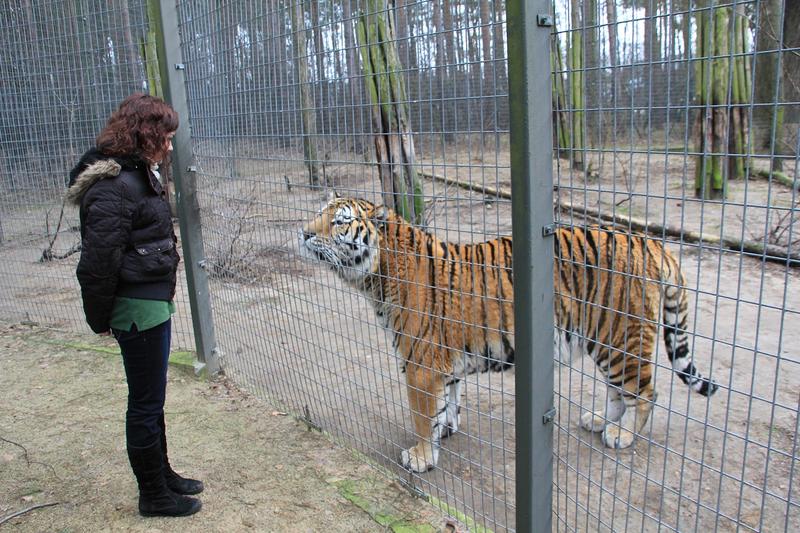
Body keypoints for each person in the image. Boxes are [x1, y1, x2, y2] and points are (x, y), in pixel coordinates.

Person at [66, 93, 202, 517]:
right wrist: (100, 318)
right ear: (146, 133)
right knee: (144, 403)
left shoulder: (140, 174)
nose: (170, 146)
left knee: (152, 399)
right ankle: (153, 496)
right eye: (167, 136)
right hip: (135, 308)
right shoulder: (113, 188)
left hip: (151, 302)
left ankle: (163, 475)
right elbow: (97, 263)